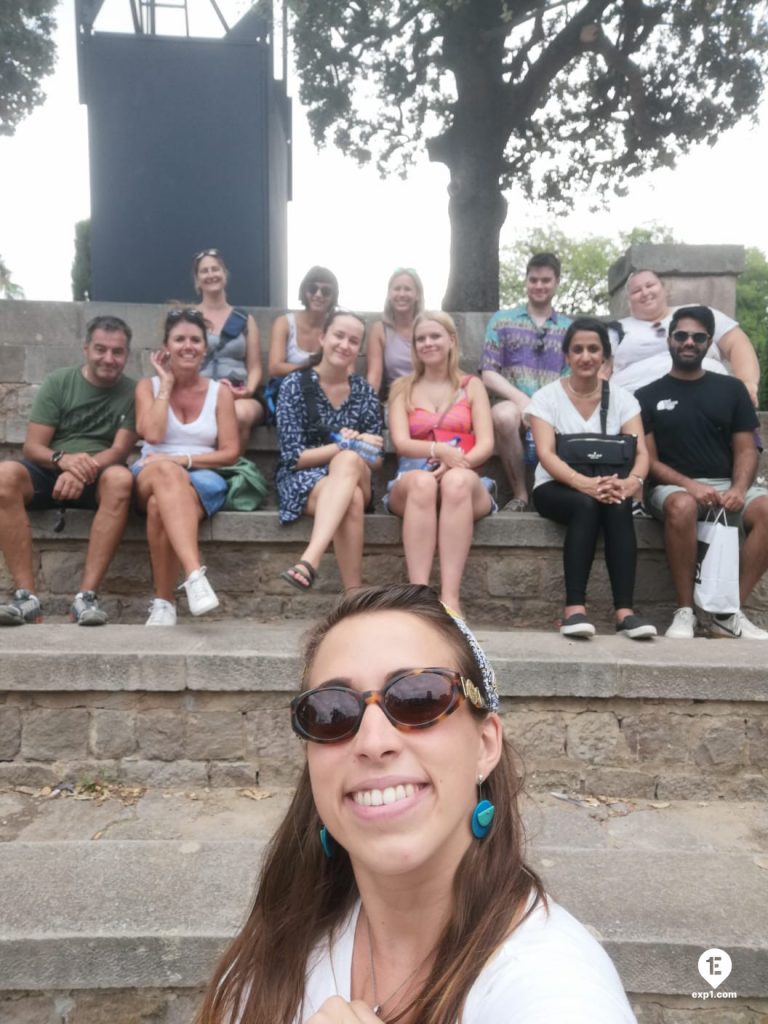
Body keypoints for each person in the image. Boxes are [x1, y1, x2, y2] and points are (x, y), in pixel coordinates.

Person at [196, 583, 637, 1024]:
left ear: (485, 745)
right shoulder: (273, 956)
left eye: (418, 698)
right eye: (332, 712)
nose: (373, 742)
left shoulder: (555, 985)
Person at [636, 305, 768, 640]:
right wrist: (690, 486)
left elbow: (746, 449)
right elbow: (649, 462)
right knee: (683, 505)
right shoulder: (647, 396)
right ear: (669, 340)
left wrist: (739, 489)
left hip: (727, 484)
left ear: (709, 343)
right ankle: (685, 612)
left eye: (698, 337)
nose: (689, 342)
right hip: (670, 488)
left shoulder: (732, 390)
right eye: (681, 335)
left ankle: (727, 613)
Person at [0, 315, 136, 626]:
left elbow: (119, 451)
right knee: (4, 475)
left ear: (127, 355)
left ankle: (85, 598)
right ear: (86, 349)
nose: (109, 358)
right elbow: (33, 447)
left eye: (117, 352)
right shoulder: (60, 382)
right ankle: (26, 597)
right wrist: (64, 461)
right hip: (50, 469)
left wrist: (79, 471)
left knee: (121, 478)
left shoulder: (133, 392)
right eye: (101, 349)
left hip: (100, 473)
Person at [528, 318, 656, 640]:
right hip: (554, 486)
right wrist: (584, 484)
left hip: (609, 484)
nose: (585, 356)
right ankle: (574, 610)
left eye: (593, 349)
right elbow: (545, 454)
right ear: (567, 356)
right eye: (578, 349)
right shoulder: (546, 398)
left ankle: (625, 613)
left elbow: (642, 453)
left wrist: (632, 483)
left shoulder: (624, 399)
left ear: (605, 357)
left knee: (618, 504)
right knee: (586, 505)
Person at [133, 307, 240, 625]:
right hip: (152, 470)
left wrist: (181, 459)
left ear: (205, 347)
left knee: (158, 508)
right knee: (165, 474)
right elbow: (152, 434)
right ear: (166, 346)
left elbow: (231, 452)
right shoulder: (147, 387)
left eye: (195, 339)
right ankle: (195, 576)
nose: (188, 346)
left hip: (203, 476)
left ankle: (164, 603)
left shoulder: (220, 393)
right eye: (179, 339)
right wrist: (165, 384)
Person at [387, 311, 495, 616]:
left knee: (456, 481)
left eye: (435, 336)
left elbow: (487, 443)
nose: (427, 343)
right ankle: (419, 598)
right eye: (421, 338)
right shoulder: (401, 387)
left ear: (451, 340)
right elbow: (401, 442)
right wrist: (438, 449)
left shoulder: (472, 385)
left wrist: (456, 462)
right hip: (412, 476)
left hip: (464, 474)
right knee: (422, 483)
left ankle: (450, 600)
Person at [275, 310, 384, 593]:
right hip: (305, 481)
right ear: (323, 338)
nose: (344, 345)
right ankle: (353, 595)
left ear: (358, 350)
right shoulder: (294, 386)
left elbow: (377, 461)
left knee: (348, 462)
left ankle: (310, 559)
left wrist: (357, 446)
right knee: (352, 498)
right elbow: (293, 458)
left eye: (353, 340)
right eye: (339, 335)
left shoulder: (365, 393)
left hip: (356, 473)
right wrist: (344, 445)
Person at [481, 252, 571, 512]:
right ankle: (520, 494)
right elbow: (488, 372)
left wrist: (541, 407)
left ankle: (562, 490)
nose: (539, 286)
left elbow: (572, 373)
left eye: (545, 280)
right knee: (503, 417)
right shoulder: (502, 320)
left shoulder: (568, 327)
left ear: (556, 282)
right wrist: (524, 402)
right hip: (512, 401)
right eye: (533, 280)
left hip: (555, 403)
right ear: (526, 281)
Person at [610, 270, 760, 404]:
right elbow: (598, 368)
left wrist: (748, 383)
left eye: (650, 285)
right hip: (636, 405)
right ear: (628, 300)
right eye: (636, 290)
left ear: (664, 288)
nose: (645, 292)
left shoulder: (697, 313)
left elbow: (737, 342)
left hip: (708, 398)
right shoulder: (615, 330)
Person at [193, 248, 265, 452]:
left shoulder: (245, 319)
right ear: (197, 280)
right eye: (204, 271)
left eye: (215, 269)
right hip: (200, 391)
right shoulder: (189, 317)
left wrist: (247, 390)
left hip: (239, 393)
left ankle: (232, 472)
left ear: (224, 274)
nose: (211, 275)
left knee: (238, 414)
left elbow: (255, 367)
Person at [268, 266, 340, 397]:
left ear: (333, 296)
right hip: (290, 392)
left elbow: (348, 371)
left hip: (326, 392)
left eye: (326, 291)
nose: (318, 295)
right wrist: (313, 372)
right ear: (304, 291)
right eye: (312, 289)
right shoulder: (284, 323)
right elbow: (275, 368)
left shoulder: (337, 327)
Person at [366, 268, 424, 394]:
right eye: (397, 289)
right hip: (396, 397)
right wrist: (366, 407)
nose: (402, 294)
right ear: (389, 295)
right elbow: (374, 377)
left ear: (417, 295)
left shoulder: (426, 327)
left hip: (427, 396)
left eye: (407, 289)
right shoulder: (379, 330)